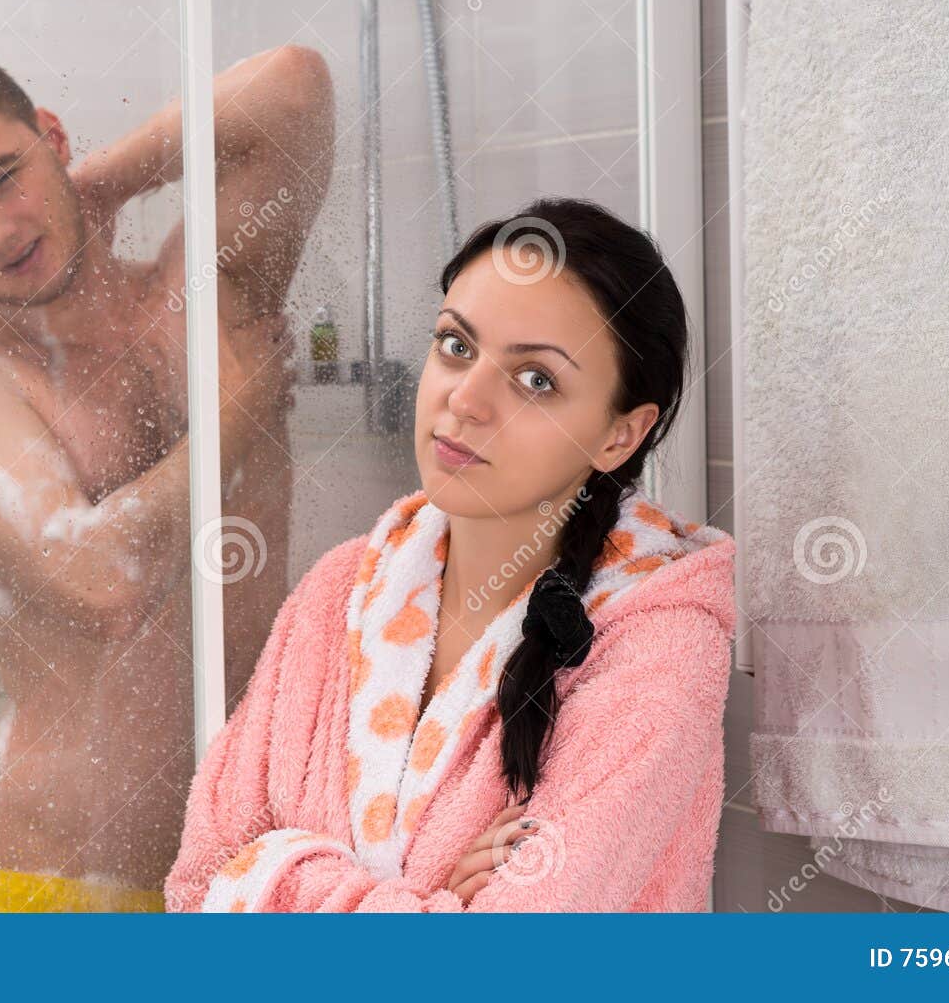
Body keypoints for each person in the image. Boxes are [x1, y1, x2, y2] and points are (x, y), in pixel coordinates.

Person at [0, 43, 334, 911]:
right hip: (62, 881)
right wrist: (230, 422)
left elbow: (294, 88)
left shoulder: (202, 300)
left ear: (55, 137)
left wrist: (105, 182)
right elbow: (98, 580)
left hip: (251, 867)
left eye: (4, 177)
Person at [164, 197, 736, 912]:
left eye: (536, 380)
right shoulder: (343, 586)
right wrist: (427, 901)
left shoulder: (658, 647)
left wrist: (285, 877)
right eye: (457, 345)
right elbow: (196, 882)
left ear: (620, 434)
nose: (464, 399)